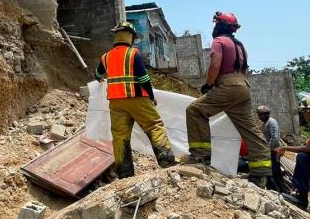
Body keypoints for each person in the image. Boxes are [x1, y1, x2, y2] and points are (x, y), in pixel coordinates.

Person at [185, 12, 271, 186]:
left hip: (227, 85)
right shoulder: (240, 46)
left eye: (215, 24)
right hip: (243, 86)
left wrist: (209, 84)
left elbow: (215, 64)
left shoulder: (219, 42)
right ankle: (260, 174)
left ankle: (200, 157)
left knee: (195, 110)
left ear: (220, 26)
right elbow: (245, 70)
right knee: (251, 130)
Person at [94, 21, 175, 178]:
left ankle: (125, 173)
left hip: (116, 103)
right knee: (154, 126)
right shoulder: (133, 54)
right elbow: (144, 78)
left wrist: (102, 78)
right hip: (137, 98)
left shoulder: (106, 57)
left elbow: (97, 76)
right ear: (130, 37)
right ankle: (166, 161)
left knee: (120, 136)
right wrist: (151, 96)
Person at [256, 105, 288, 192]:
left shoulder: (271, 122)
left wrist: (267, 149)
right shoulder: (265, 123)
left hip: (273, 152)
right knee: (270, 172)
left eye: (260, 115)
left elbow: (275, 138)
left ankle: (282, 191)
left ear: (266, 114)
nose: (259, 117)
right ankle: (273, 190)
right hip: (268, 151)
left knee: (275, 172)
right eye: (258, 115)